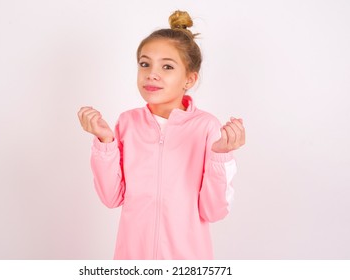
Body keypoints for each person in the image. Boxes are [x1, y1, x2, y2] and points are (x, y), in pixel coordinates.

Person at [78, 10, 245, 259]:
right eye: (145, 64)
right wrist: (105, 142)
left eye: (167, 66)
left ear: (189, 79)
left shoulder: (206, 127)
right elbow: (111, 197)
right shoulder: (127, 123)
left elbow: (214, 211)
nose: (151, 73)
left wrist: (221, 157)